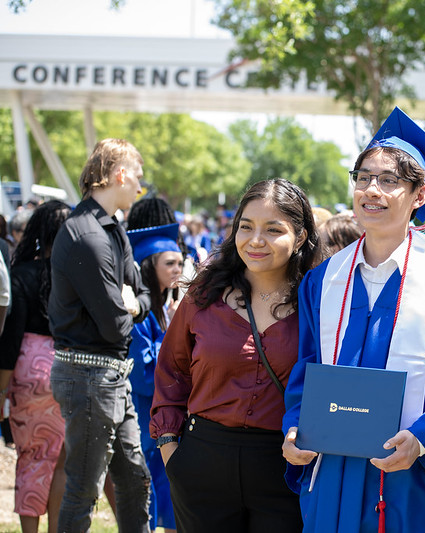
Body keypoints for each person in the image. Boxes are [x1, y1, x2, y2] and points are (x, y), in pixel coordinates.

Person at [282, 107, 425, 533]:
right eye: (363, 177)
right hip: (334, 471)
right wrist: (295, 428)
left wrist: (423, 439)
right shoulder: (322, 282)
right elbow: (304, 373)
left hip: (413, 478)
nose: (371, 190)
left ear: (420, 196)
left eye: (388, 181)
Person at [150, 179, 316, 532]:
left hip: (283, 467)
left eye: (273, 230)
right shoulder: (204, 294)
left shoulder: (319, 302)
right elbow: (171, 371)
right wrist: (170, 451)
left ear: (300, 237)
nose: (256, 240)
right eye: (246, 226)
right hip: (201, 462)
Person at [48, 138, 152, 533]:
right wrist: (129, 306)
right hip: (88, 376)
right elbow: (116, 323)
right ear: (120, 174)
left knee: (134, 479)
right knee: (84, 488)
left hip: (107, 375)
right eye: (137, 179)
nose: (139, 188)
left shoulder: (113, 230)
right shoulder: (87, 235)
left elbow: (141, 296)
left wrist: (133, 304)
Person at [0, 200, 71, 533]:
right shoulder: (75, 273)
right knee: (60, 462)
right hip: (68, 368)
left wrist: (1, 389)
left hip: (29, 371)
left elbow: (11, 337)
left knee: (30, 458)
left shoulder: (21, 272)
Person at [127, 223, 183, 533]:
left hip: (166, 412)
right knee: (146, 478)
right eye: (169, 263)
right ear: (150, 265)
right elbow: (144, 374)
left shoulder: (167, 307)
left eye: (179, 262)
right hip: (145, 410)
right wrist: (174, 332)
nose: (178, 269)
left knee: (167, 480)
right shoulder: (140, 314)